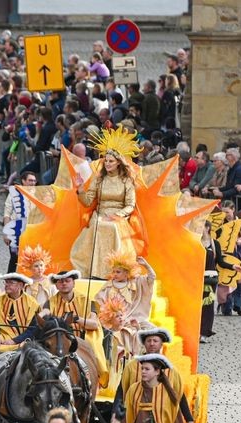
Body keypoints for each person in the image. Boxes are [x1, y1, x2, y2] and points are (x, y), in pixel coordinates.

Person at [71, 131, 142, 279]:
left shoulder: (126, 181)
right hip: (100, 214)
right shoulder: (99, 179)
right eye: (106, 161)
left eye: (111, 161)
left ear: (118, 163)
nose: (108, 164)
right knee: (98, 225)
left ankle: (114, 271)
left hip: (118, 217)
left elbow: (130, 205)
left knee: (112, 227)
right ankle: (95, 272)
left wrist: (117, 215)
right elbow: (88, 201)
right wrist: (80, 189)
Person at [93, 252, 155, 387]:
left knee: (147, 332)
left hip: (134, 319)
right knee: (116, 336)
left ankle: (141, 370)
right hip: (112, 322)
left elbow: (151, 278)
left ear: (127, 273)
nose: (114, 274)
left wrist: (146, 265)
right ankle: (112, 376)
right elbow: (99, 303)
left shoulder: (136, 283)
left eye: (118, 272)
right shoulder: (109, 286)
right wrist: (111, 317)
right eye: (113, 271)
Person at [43, 268, 108, 379]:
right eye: (60, 281)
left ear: (73, 283)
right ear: (56, 286)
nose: (64, 283)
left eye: (67, 281)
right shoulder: (50, 302)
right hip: (58, 341)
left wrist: (76, 319)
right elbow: (44, 316)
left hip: (80, 340)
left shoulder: (88, 301)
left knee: (91, 346)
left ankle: (92, 377)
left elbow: (94, 324)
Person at [0, 273, 41, 352]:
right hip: (1, 339)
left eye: (11, 283)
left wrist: (14, 341)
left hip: (22, 340)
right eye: (6, 282)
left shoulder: (32, 304)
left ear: (21, 285)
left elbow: (33, 329)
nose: (7, 285)